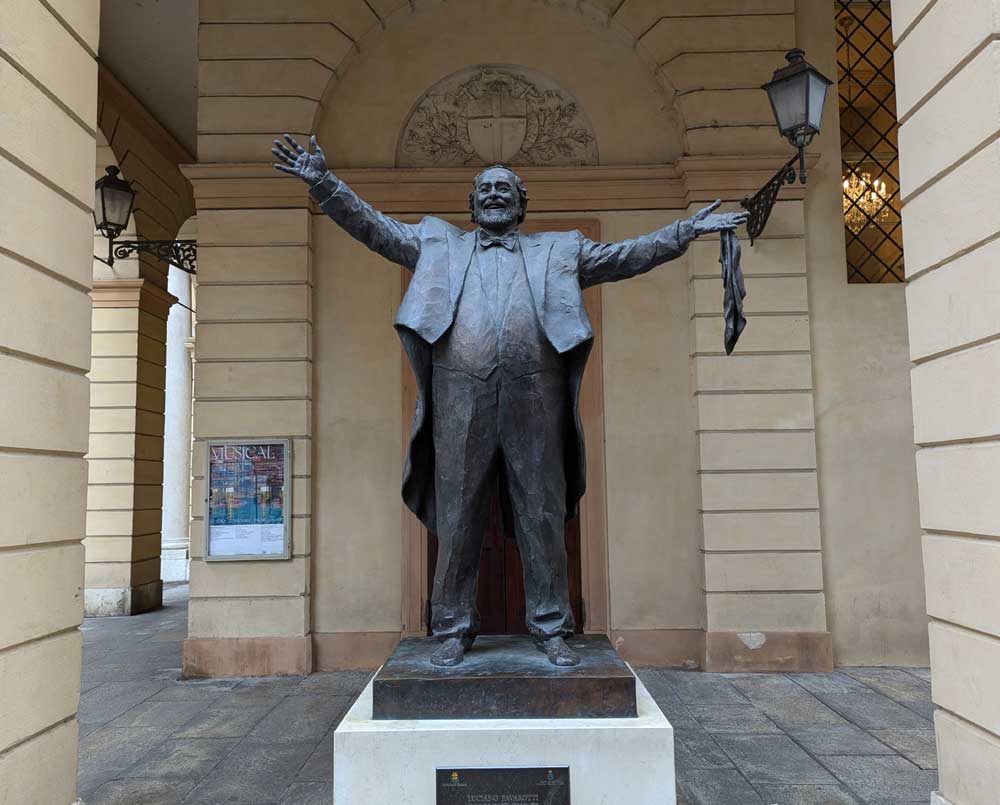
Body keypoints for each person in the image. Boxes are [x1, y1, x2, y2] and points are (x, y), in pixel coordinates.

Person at [273, 134, 748, 666]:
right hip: (459, 396)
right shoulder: (435, 244)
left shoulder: (561, 249)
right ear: (471, 204)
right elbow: (374, 228)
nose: (495, 195)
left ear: (523, 205)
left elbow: (624, 257)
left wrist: (685, 231)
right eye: (485, 189)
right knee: (458, 513)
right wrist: (323, 182)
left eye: (505, 189)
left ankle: (550, 626)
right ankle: (452, 626)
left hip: (535, 395)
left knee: (541, 510)